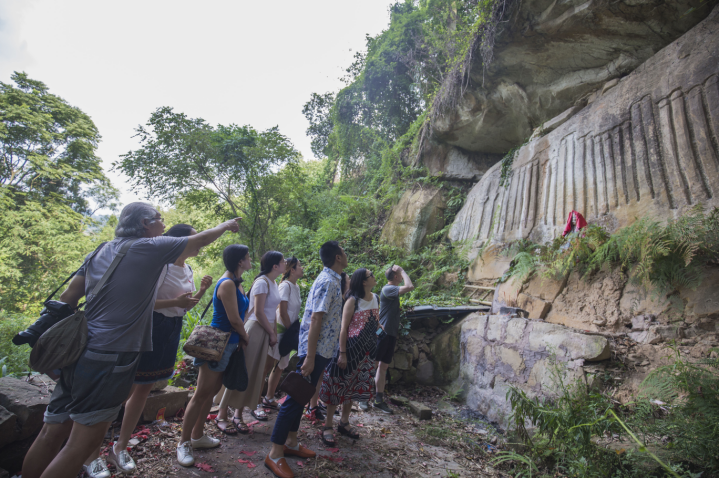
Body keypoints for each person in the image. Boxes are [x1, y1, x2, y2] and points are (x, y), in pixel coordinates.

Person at [22, 203, 240, 478]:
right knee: (81, 443)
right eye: (160, 220)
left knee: (51, 432)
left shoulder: (100, 249)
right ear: (145, 224)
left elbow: (68, 297)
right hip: (111, 356)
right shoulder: (148, 247)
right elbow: (200, 239)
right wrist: (226, 225)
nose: (163, 225)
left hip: (78, 350)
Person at [82, 223, 213, 477]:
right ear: (179, 241)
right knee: (123, 390)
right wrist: (176, 302)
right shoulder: (160, 266)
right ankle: (91, 454)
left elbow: (184, 307)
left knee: (143, 389)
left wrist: (201, 291)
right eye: (194, 236)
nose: (198, 240)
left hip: (171, 329)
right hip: (150, 327)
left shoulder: (187, 268)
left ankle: (120, 447)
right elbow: (145, 302)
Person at [264, 241, 347, 478]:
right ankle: (274, 454)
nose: (346, 254)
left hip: (321, 350)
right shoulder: (328, 281)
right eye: (344, 251)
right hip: (315, 350)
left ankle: (290, 443)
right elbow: (316, 320)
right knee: (293, 400)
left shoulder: (332, 279)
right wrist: (310, 357)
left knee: (299, 399)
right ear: (338, 257)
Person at [177, 244, 252, 467]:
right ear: (240, 261)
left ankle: (198, 436)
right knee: (201, 394)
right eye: (248, 257)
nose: (250, 261)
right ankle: (183, 443)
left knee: (210, 393)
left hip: (229, 345)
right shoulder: (228, 283)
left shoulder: (237, 283)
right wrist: (245, 337)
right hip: (216, 345)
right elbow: (234, 319)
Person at [216, 251, 285, 433]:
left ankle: (238, 415)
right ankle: (222, 414)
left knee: (253, 372)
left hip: (266, 329)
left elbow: (271, 312)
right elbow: (259, 312)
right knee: (242, 369)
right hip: (256, 329)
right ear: (274, 266)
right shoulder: (262, 282)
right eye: (283, 261)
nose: (286, 263)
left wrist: (272, 331)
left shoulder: (274, 282)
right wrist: (272, 333)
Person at [319, 268, 379, 446]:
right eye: (372, 275)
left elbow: (376, 323)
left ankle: (344, 423)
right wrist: (343, 354)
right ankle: (328, 425)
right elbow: (343, 329)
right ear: (363, 281)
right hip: (349, 351)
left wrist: (378, 333)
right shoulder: (352, 301)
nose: (375, 277)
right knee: (337, 385)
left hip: (367, 352)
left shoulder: (376, 298)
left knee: (353, 387)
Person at [364, 265, 414, 414]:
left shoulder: (392, 290)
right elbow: (410, 286)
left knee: (383, 366)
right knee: (373, 363)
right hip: (381, 332)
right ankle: (363, 398)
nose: (401, 276)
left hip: (390, 332)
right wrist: (403, 270)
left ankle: (378, 400)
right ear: (397, 277)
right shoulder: (388, 289)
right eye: (400, 274)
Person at [265, 257, 304, 408]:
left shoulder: (296, 287)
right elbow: (282, 312)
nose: (302, 268)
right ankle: (258, 400)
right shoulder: (285, 286)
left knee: (280, 366)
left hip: (288, 331)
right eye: (299, 266)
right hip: (281, 330)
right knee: (269, 366)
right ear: (292, 270)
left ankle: (269, 398)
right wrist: (291, 332)